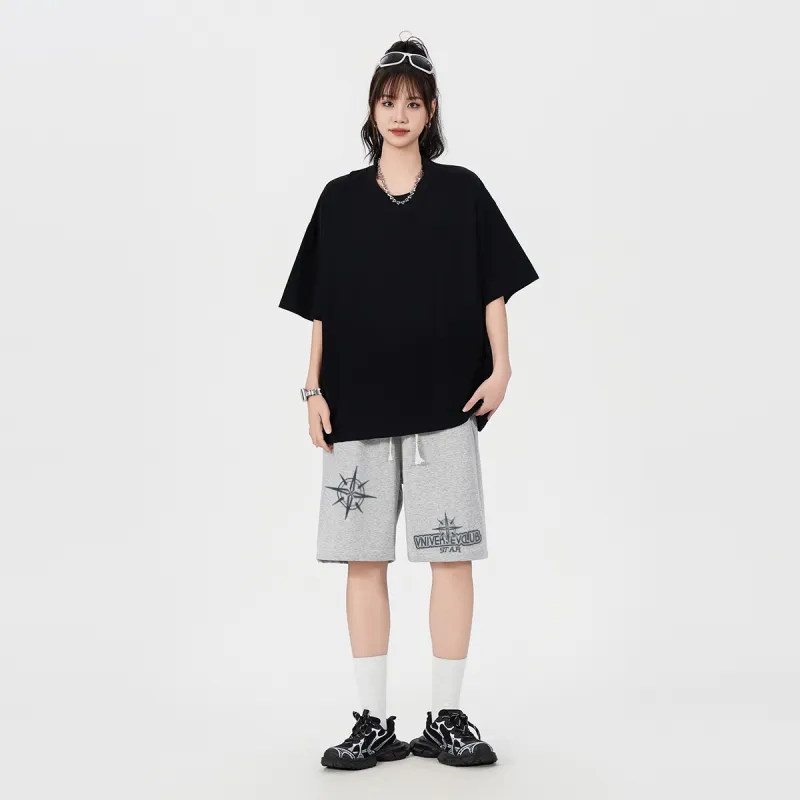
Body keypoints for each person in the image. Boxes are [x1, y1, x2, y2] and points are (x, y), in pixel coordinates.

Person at [278, 31, 539, 770]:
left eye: (414, 103)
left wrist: (503, 367)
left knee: (450, 558)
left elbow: (493, 287)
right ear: (372, 108)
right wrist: (312, 388)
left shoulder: (463, 191)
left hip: (445, 405)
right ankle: (372, 721)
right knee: (363, 561)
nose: (400, 114)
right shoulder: (339, 200)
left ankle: (446, 716)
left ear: (431, 113)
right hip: (356, 407)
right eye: (388, 101)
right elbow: (322, 305)